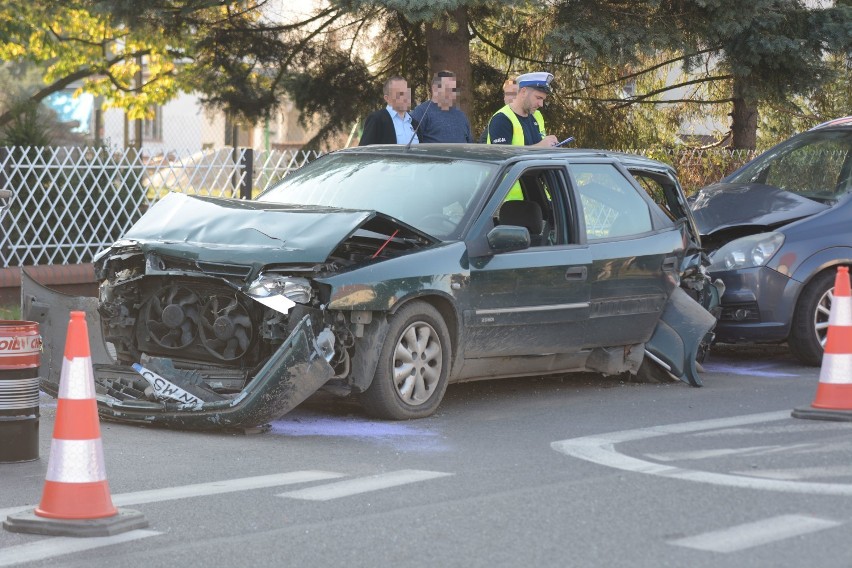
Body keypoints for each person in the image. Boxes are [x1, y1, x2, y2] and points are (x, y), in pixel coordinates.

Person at [486, 71, 558, 147]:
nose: (541, 104)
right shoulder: (501, 119)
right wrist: (539, 147)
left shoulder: (537, 115)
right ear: (524, 91)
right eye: (538, 98)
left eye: (543, 99)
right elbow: (502, 156)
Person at [410, 70, 473, 143]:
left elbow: (470, 145)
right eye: (448, 89)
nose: (452, 93)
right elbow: (412, 145)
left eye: (454, 89)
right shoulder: (422, 112)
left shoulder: (461, 116)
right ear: (435, 89)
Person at [359, 76, 418, 146]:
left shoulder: (414, 123)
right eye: (400, 94)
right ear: (387, 98)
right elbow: (364, 152)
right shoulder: (376, 120)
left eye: (407, 92)